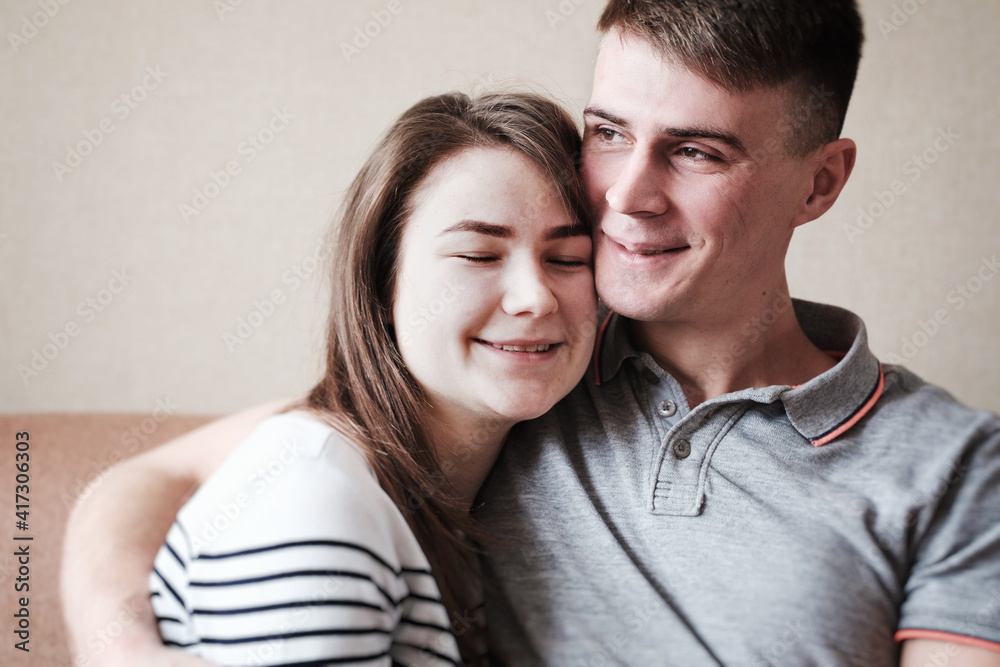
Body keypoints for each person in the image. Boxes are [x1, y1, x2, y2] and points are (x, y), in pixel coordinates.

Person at [63, 1, 1000, 665]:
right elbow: (155, 478)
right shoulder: (512, 374)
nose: (627, 195)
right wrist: (120, 649)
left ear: (821, 181)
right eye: (607, 131)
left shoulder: (956, 464)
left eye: (696, 150)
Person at [63, 91, 598, 667]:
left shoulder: (425, 479)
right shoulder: (317, 500)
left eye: (568, 259)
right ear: (381, 285)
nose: (535, 297)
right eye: (477, 255)